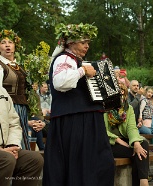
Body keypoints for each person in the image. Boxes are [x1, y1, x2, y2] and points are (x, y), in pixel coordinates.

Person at [42, 23, 114, 186]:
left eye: (88, 42)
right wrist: (83, 71)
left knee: (95, 164)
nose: (87, 46)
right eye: (83, 42)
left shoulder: (76, 61)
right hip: (74, 121)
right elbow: (60, 82)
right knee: (81, 165)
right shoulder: (64, 58)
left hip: (83, 121)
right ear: (71, 43)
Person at [0, 85, 44, 186]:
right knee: (6, 159)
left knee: (34, 159)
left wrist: (12, 145)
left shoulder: (1, 91)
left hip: (5, 147)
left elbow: (14, 122)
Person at [104, 82, 149, 186]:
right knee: (137, 152)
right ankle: (141, 183)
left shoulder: (128, 108)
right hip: (109, 143)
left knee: (143, 145)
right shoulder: (104, 108)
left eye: (121, 90)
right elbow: (102, 130)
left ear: (123, 93)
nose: (118, 93)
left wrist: (136, 143)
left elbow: (131, 128)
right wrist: (118, 140)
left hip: (125, 140)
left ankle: (144, 181)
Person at [0, 29, 30, 150]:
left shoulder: (19, 66)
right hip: (8, 108)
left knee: (23, 141)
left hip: (21, 108)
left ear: (15, 46)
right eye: (3, 42)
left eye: (10, 42)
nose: (7, 45)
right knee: (12, 141)